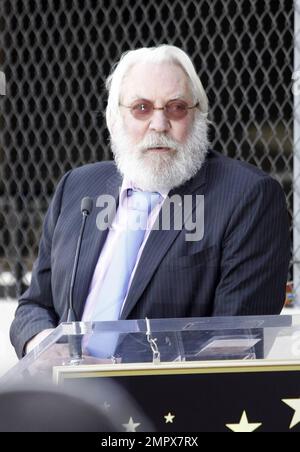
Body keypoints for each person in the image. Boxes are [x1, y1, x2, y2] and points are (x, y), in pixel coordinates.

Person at [10, 45, 290, 360]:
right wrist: (41, 342)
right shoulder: (77, 188)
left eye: (176, 107)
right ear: (114, 118)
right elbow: (34, 305)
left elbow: (232, 341)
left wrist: (112, 372)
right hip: (64, 396)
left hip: (165, 403)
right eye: (142, 108)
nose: (159, 124)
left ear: (199, 116)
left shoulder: (247, 197)